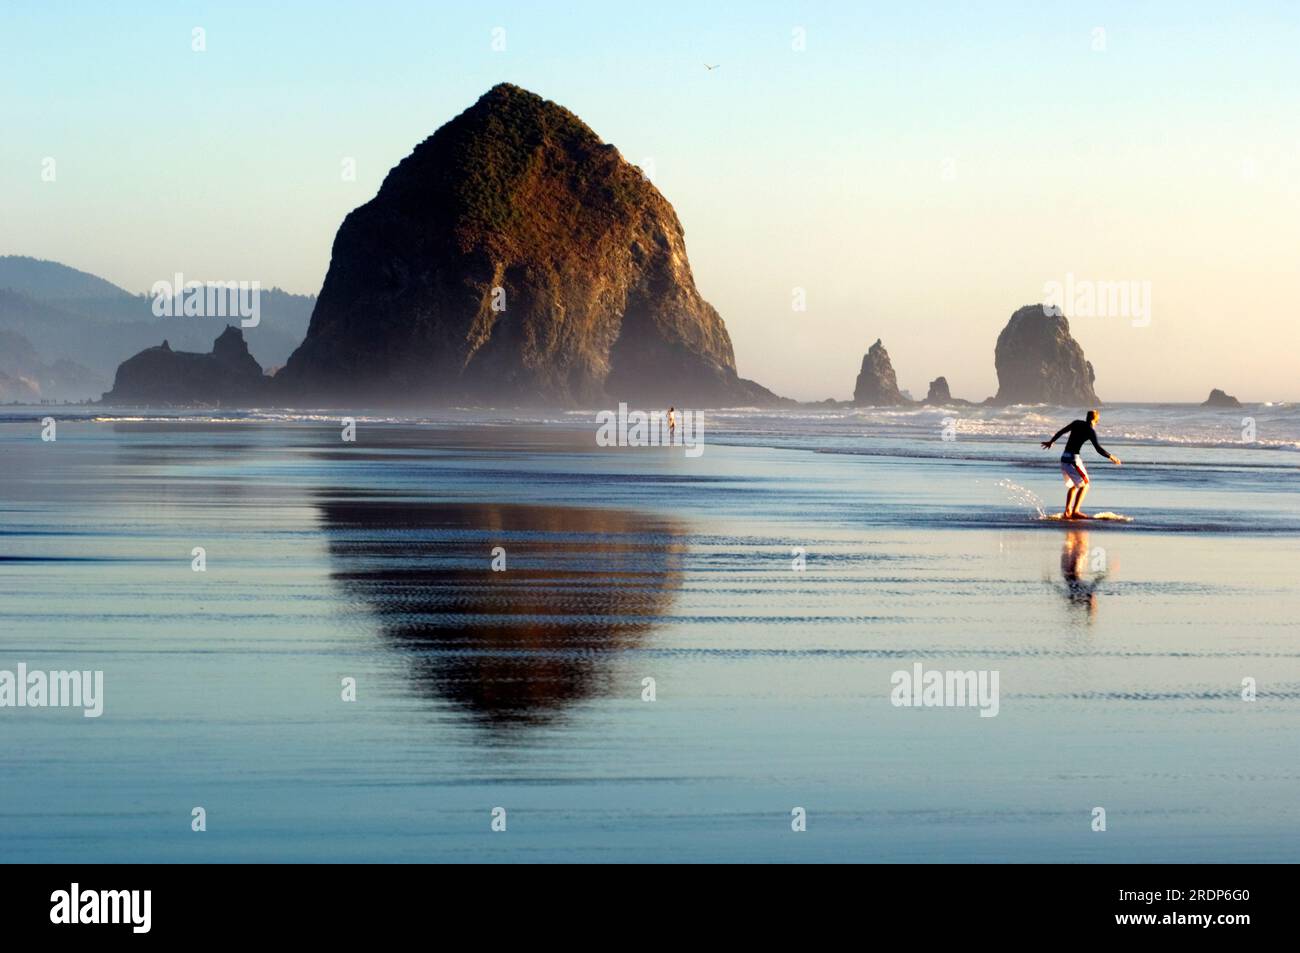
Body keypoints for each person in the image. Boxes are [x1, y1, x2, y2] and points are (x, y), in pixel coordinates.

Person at [1041, 409, 1121, 519]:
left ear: (1087, 417)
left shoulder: (1076, 423)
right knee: (1085, 485)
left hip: (1064, 458)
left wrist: (1051, 441)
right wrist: (1111, 457)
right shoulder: (1090, 431)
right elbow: (1098, 448)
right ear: (1096, 420)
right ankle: (1075, 511)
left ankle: (1067, 511)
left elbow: (1061, 431)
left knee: (1074, 485)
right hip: (1073, 460)